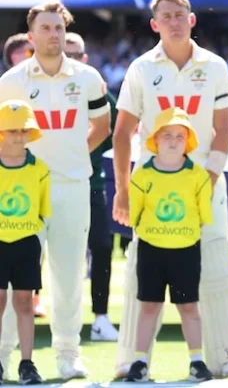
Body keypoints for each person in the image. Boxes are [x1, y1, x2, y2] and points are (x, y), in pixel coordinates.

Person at [112, 0, 228, 379]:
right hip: (152, 187)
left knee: (216, 269)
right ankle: (132, 361)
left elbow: (224, 130)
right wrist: (123, 190)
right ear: (155, 24)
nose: (173, 21)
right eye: (166, 16)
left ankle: (224, 357)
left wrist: (208, 180)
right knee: (142, 274)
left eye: (179, 14)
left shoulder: (215, 66)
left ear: (192, 19)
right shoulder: (141, 68)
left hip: (205, 180)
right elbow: (122, 134)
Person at [0, 3, 111, 380]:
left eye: (59, 28)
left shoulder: (87, 77)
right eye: (45, 28)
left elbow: (101, 125)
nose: (53, 34)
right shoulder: (11, 81)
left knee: (69, 274)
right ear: (30, 35)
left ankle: (67, 355)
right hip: (21, 191)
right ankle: (3, 357)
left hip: (70, 186)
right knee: (12, 279)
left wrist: (75, 156)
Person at [124, 107, 214, 382]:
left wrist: (181, 234)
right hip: (151, 249)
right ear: (155, 139)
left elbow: (203, 216)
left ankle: (197, 361)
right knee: (149, 306)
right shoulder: (142, 175)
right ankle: (139, 362)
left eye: (179, 136)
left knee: (189, 307)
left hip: (186, 250)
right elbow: (135, 215)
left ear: (188, 141)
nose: (173, 141)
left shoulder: (198, 175)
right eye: (167, 135)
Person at [62, 32, 121, 341]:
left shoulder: (96, 89)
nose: (71, 59)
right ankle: (29, 316)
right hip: (48, 182)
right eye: (66, 53)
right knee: (41, 251)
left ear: (84, 58)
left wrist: (89, 155)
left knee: (101, 246)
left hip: (90, 181)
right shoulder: (44, 88)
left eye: (76, 54)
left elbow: (118, 130)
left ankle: (100, 317)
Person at [0, 100, 48, 385]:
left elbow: (42, 209)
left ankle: (27, 364)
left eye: (23, 130)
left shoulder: (39, 168)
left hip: (26, 243)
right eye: (11, 130)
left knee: (24, 301)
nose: (18, 136)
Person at [0, 34, 43, 319]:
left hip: (35, 176)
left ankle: (35, 298)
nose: (30, 58)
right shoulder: (6, 86)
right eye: (26, 53)